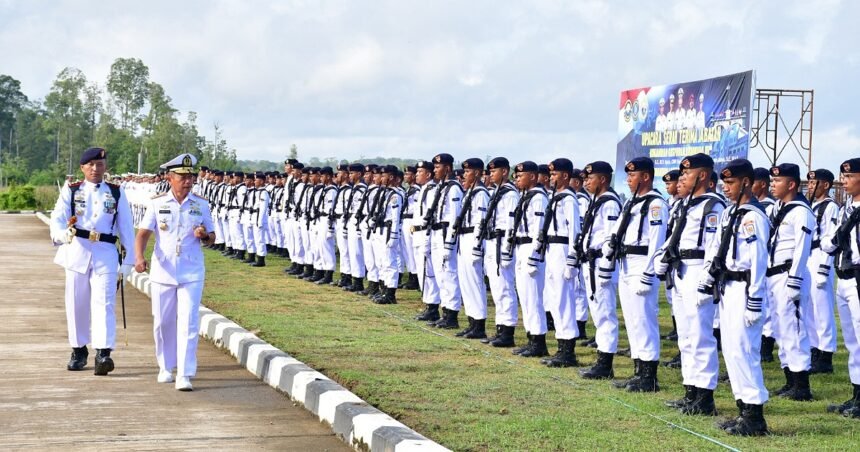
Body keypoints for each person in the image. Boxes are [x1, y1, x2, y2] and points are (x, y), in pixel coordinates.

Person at [50, 147, 136, 375]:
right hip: (76, 250)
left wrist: (129, 261)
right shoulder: (71, 190)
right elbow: (57, 220)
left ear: (105, 166)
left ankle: (103, 353)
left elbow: (126, 226)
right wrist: (62, 234)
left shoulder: (116, 193)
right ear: (83, 167)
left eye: (100, 164)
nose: (95, 169)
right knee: (76, 304)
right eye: (90, 165)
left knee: (104, 304)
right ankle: (78, 350)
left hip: (105, 253)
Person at [134, 153, 215, 391]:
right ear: (170, 177)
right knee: (162, 322)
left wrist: (204, 235)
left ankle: (185, 373)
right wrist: (139, 257)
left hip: (191, 271)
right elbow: (143, 234)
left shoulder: (201, 204)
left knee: (189, 322)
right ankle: (165, 366)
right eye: (183, 176)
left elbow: (212, 237)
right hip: (163, 270)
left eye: (191, 176)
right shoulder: (158, 203)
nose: (188, 181)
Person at [703, 159, 770, 435]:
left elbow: (758, 259)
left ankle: (755, 416)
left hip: (744, 289)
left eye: (730, 183)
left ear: (746, 182)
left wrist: (754, 299)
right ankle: (743, 409)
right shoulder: (732, 213)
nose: (725, 188)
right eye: (724, 183)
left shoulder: (753, 216)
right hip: (728, 287)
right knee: (731, 349)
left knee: (745, 350)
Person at [655, 153, 725, 415]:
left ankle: (705, 398)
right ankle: (691, 391)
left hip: (698, 270)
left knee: (700, 336)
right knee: (685, 336)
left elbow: (713, 247)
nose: (683, 177)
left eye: (688, 173)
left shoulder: (713, 206)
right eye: (681, 173)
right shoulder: (685, 205)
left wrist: (707, 280)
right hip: (681, 269)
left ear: (703, 176)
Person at [608, 157, 668, 392]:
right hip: (626, 263)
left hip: (642, 262)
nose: (629, 180)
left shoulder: (655, 204)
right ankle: (638, 370)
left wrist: (649, 273)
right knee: (632, 320)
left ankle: (648, 375)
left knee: (644, 320)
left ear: (646, 177)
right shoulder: (631, 203)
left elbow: (656, 242)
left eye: (633, 175)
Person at [766, 163, 815, 401]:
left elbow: (802, 248)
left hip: (788, 275)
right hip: (773, 275)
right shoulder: (777, 208)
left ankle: (801, 384)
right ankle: (789, 379)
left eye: (777, 181)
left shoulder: (800, 211)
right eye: (772, 181)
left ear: (792, 184)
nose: (772, 185)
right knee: (780, 328)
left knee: (794, 329)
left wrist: (794, 279)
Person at [577, 161, 622, 379]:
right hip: (590, 261)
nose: (585, 182)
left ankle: (605, 364)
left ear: (602, 179)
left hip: (601, 263)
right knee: (598, 312)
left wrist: (605, 265)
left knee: (605, 313)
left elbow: (610, 237)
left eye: (589, 178)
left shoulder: (609, 203)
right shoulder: (596, 201)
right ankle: (602, 358)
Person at [824, 158, 860, 418]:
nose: (844, 181)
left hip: (858, 278)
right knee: (852, 342)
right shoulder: (847, 207)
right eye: (843, 177)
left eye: (849, 177)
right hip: (843, 277)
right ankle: (856, 394)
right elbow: (830, 242)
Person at [540, 158, 581, 367]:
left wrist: (572, 259)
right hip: (552, 249)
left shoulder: (568, 199)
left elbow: (575, 230)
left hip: (563, 249)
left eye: (555, 174)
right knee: (554, 298)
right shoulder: (555, 197)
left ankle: (568, 350)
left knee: (564, 299)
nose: (551, 178)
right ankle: (560, 345)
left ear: (565, 176)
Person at [479, 158, 520, 347]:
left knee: (504, 287)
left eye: (494, 171)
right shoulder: (496, 192)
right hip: (492, 241)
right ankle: (500, 328)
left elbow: (512, 224)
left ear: (504, 172)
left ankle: (507, 331)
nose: (490, 174)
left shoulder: (510, 194)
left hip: (502, 242)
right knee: (496, 288)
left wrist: (507, 250)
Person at [806, 169, 838, 374]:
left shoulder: (830, 206)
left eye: (814, 183)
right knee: (809, 307)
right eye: (809, 183)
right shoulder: (810, 206)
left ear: (825, 185)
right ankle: (814, 349)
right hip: (808, 256)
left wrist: (824, 268)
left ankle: (825, 355)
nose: (810, 186)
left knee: (822, 309)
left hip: (820, 255)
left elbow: (831, 238)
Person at [453, 158, 490, 338]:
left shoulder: (481, 193)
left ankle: (479, 324)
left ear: (476, 173)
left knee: (475, 283)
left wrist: (477, 246)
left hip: (472, 239)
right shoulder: (470, 192)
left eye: (468, 172)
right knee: (466, 282)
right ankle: (471, 321)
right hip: (464, 237)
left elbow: (481, 222)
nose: (464, 175)